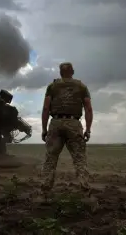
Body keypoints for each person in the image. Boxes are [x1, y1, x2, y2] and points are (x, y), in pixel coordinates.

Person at [40, 62, 93, 194]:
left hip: (56, 123)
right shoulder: (81, 87)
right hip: (74, 124)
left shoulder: (52, 87)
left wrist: (44, 129)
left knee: (50, 159)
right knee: (79, 158)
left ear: (60, 73)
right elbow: (88, 108)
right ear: (72, 72)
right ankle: (85, 190)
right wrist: (88, 129)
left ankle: (45, 192)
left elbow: (46, 108)